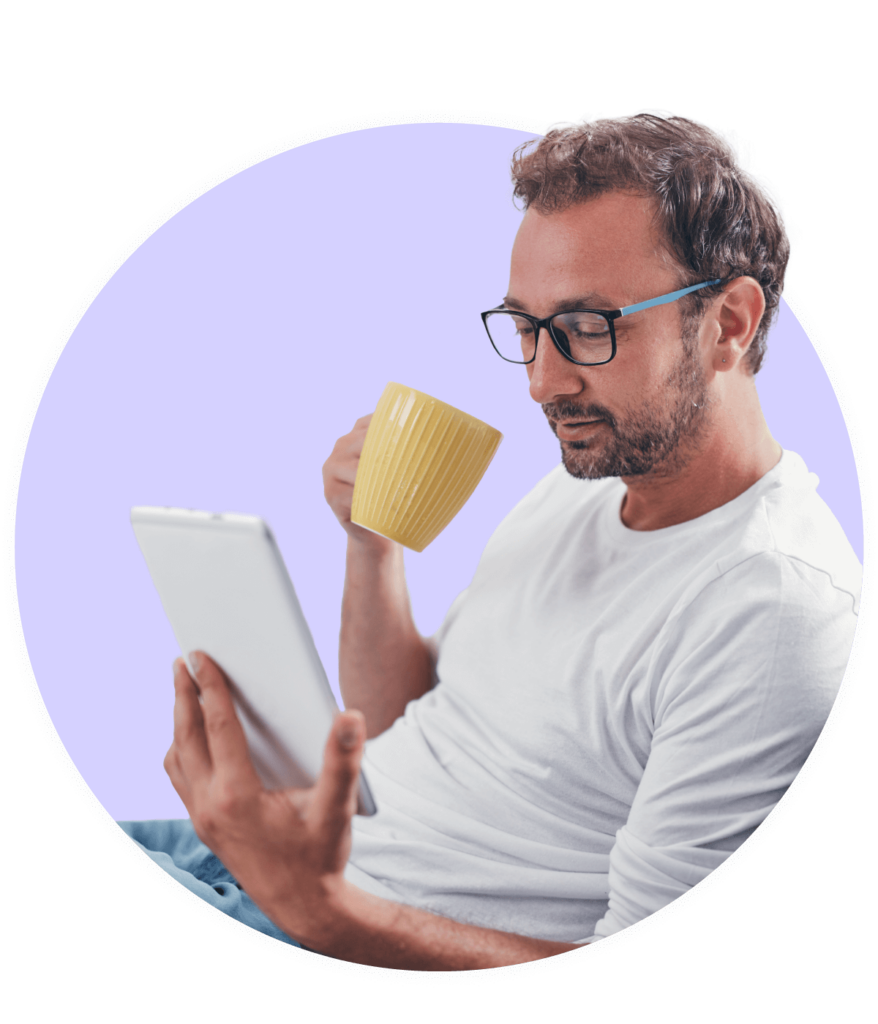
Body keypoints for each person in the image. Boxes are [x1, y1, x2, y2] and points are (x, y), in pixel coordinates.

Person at [119, 113, 862, 970]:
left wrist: (322, 915)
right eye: (525, 327)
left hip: (334, 927)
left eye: (588, 326)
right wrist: (373, 547)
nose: (544, 381)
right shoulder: (585, 485)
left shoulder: (776, 615)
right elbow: (408, 722)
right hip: (278, 869)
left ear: (729, 322)